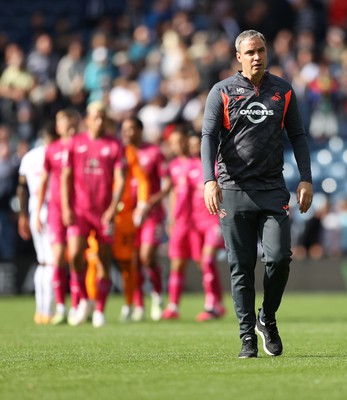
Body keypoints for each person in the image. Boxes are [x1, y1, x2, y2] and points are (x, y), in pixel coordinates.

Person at [201, 30, 313, 358]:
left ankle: (268, 317)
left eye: (261, 51)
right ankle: (246, 335)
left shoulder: (284, 90)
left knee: (279, 259)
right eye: (250, 52)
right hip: (233, 190)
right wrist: (210, 180)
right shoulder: (221, 92)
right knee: (241, 265)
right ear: (238, 56)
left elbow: (299, 136)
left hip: (271, 189)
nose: (256, 57)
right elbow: (208, 137)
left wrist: (305, 179)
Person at [61, 101, 126, 327]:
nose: (98, 121)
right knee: (76, 255)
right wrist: (66, 207)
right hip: (80, 211)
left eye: (102, 116)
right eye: (94, 116)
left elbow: (120, 180)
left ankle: (100, 309)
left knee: (103, 260)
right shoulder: (75, 143)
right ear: (87, 119)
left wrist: (112, 208)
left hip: (104, 214)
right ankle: (84, 301)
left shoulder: (115, 145)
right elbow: (65, 177)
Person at [162, 127, 225, 321]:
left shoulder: (215, 166)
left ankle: (212, 306)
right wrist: (173, 218)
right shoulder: (184, 167)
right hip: (193, 224)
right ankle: (175, 305)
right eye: (189, 145)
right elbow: (177, 194)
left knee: (206, 261)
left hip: (213, 220)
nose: (192, 148)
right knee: (189, 262)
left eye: (195, 144)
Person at [121, 116, 171, 321]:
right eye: (125, 129)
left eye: (132, 128)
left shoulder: (154, 152)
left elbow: (167, 184)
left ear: (140, 130)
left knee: (146, 257)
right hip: (127, 214)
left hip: (151, 214)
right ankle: (138, 305)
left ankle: (157, 295)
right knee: (132, 260)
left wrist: (149, 203)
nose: (127, 133)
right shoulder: (122, 153)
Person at [36, 108, 80, 325]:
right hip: (55, 210)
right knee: (59, 258)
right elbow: (44, 181)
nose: (68, 125)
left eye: (71, 122)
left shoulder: (82, 147)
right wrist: (36, 212)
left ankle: (77, 306)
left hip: (78, 208)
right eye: (64, 122)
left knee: (76, 257)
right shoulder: (51, 150)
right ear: (57, 127)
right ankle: (61, 307)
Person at [17, 124, 58, 324]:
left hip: (34, 211)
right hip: (51, 210)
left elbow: (22, 188)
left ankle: (41, 310)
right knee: (51, 262)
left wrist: (24, 215)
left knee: (42, 262)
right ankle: (49, 311)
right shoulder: (55, 154)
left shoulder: (29, 156)